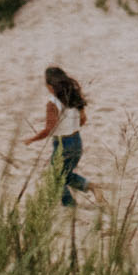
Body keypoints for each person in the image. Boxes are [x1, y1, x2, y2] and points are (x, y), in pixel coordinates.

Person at [24, 65, 91, 206]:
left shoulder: (52, 103)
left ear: (49, 85)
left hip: (63, 143)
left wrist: (32, 139)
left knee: (56, 177)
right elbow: (83, 120)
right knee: (65, 175)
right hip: (77, 141)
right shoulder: (74, 97)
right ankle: (92, 187)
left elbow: (49, 129)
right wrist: (70, 127)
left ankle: (70, 205)